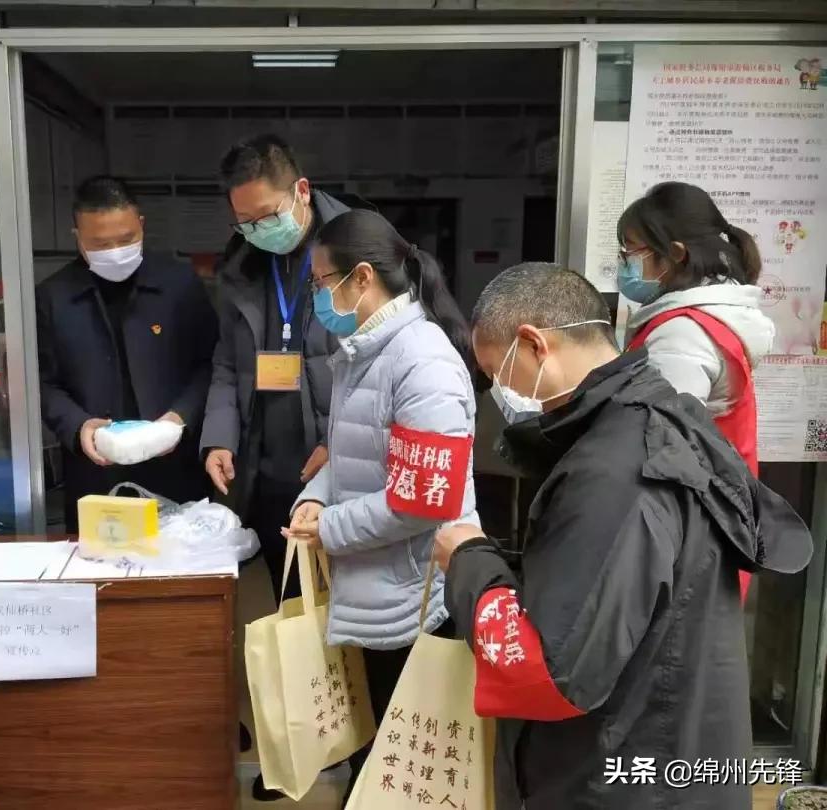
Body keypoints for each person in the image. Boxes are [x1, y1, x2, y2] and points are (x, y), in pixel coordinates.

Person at [435, 263, 812, 810]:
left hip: (623, 776)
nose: (501, 393)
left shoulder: (616, 469)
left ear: (535, 344)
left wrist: (470, 560)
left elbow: (552, 671)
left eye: (498, 373)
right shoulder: (659, 416)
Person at [286, 210, 479, 807]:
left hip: (412, 599)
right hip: (377, 588)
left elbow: (423, 501)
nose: (316, 296)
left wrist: (331, 528)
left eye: (320, 282)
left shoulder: (423, 363)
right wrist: (315, 498)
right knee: (380, 759)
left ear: (362, 277)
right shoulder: (365, 350)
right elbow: (350, 456)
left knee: (403, 767)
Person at [201, 135, 373, 602]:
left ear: (301, 189)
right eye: (245, 223)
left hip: (339, 465)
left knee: (347, 607)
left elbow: (385, 368)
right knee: (293, 605)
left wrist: (338, 444)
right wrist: (219, 437)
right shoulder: (242, 265)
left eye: (268, 216)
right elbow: (225, 360)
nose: (259, 230)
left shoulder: (360, 248)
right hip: (268, 465)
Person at [618, 182, 774, 599]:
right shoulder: (706, 319)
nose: (623, 263)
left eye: (631, 251)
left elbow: (662, 447)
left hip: (685, 536)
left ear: (676, 254)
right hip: (711, 524)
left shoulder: (682, 335)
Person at [37, 175, 218, 531]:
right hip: (96, 473)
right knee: (102, 580)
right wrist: (77, 426)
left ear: (142, 225)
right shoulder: (54, 297)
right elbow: (42, 384)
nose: (115, 251)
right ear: (78, 238)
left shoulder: (179, 284)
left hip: (174, 466)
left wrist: (180, 417)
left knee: (181, 572)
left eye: (125, 239)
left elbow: (211, 364)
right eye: (100, 244)